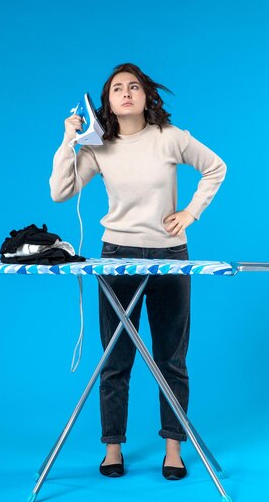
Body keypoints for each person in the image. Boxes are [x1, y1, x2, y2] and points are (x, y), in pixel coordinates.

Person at [49, 62, 227, 480]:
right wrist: (68, 140)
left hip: (169, 254)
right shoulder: (98, 146)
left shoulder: (170, 137)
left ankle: (173, 448)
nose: (126, 93)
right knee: (115, 356)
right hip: (116, 255)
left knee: (171, 355)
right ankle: (112, 448)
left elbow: (216, 167)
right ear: (107, 102)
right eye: (116, 89)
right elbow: (60, 192)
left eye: (134, 87)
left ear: (147, 96)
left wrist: (191, 212)